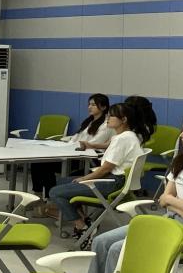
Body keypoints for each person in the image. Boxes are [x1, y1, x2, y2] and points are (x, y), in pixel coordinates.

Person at [86, 112, 183, 273]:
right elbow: (163, 199)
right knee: (101, 242)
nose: (182, 135)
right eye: (182, 130)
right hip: (172, 219)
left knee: (118, 249)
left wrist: (173, 202)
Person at [46, 102, 145, 242]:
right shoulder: (129, 136)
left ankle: (82, 226)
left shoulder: (122, 139)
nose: (107, 119)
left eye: (111, 116)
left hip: (112, 183)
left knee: (55, 192)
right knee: (61, 183)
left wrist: (84, 178)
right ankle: (85, 219)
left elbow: (105, 169)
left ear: (124, 119)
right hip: (116, 180)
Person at [30, 94, 113, 196]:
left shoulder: (106, 125)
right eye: (89, 104)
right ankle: (38, 194)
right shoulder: (89, 121)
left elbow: (92, 144)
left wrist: (74, 145)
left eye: (93, 105)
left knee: (46, 165)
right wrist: (66, 144)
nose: (89, 107)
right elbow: (76, 138)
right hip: (74, 153)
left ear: (103, 107)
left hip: (86, 159)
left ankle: (50, 197)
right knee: (37, 162)